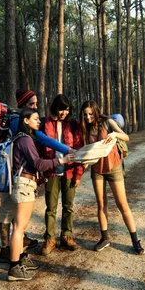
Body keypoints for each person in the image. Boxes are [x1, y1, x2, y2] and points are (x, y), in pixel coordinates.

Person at [0, 89, 74, 263]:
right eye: (31, 105)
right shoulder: (19, 125)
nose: (35, 107)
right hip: (15, 176)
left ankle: (16, 251)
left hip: (12, 174)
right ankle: (9, 256)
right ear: (23, 108)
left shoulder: (15, 122)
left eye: (36, 103)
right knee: (13, 218)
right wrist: (66, 152)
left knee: (15, 217)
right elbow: (42, 143)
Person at [8, 108, 75, 281]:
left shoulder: (23, 139)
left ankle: (21, 259)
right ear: (25, 121)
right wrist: (61, 160)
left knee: (19, 227)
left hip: (23, 184)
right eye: (36, 119)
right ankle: (14, 268)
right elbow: (38, 164)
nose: (39, 122)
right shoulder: (25, 139)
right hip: (23, 185)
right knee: (19, 228)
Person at [79, 100, 144, 255]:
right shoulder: (85, 129)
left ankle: (135, 240)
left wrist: (114, 134)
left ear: (96, 112)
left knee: (123, 205)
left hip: (113, 168)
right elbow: (89, 151)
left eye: (90, 114)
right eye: (85, 114)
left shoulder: (107, 123)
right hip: (97, 170)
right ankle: (104, 238)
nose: (88, 117)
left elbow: (126, 137)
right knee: (101, 205)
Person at [39, 95, 84, 255]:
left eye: (67, 109)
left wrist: (78, 174)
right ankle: (50, 239)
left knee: (68, 206)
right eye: (61, 109)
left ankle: (67, 236)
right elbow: (39, 149)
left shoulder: (73, 124)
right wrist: (40, 172)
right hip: (51, 171)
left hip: (70, 171)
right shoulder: (44, 123)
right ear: (54, 108)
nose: (64, 112)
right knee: (50, 207)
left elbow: (79, 150)